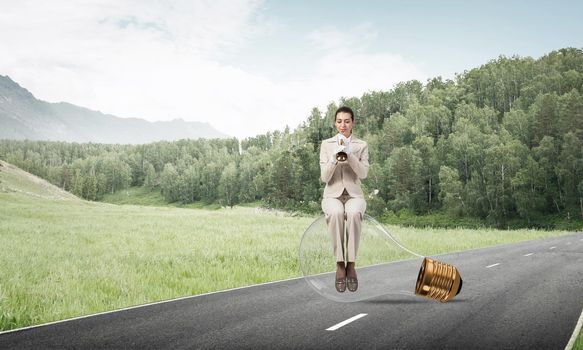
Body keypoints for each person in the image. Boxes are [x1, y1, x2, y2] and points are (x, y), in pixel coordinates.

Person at [319, 106, 369, 293]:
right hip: (332, 194)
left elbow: (363, 174)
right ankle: (340, 264)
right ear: (335, 123)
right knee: (336, 212)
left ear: (353, 123)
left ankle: (352, 265)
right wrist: (333, 158)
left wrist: (350, 156)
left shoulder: (361, 145)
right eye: (339, 121)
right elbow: (325, 178)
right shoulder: (326, 144)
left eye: (347, 121)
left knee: (354, 213)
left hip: (354, 194)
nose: (343, 125)